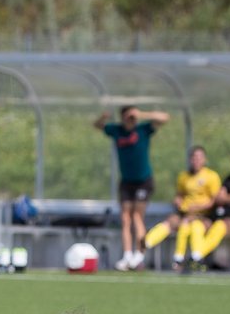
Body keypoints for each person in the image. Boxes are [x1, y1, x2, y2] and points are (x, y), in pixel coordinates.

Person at [94, 105, 170, 271]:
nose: (130, 120)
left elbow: (165, 117)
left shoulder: (143, 129)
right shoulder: (117, 130)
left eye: (132, 117)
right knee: (125, 218)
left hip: (143, 180)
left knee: (137, 216)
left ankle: (139, 255)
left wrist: (142, 114)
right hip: (127, 182)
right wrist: (103, 117)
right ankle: (127, 255)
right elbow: (98, 126)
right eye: (127, 117)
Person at [143, 145, 221, 272]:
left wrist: (196, 207)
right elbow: (179, 195)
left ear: (204, 159)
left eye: (199, 157)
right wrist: (178, 201)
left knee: (193, 226)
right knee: (171, 221)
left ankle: (193, 258)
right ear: (190, 159)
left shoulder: (211, 176)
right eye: (194, 157)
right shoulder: (184, 176)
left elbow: (214, 201)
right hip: (185, 213)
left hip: (202, 215)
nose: (196, 160)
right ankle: (144, 245)